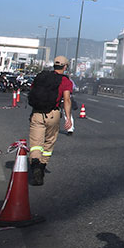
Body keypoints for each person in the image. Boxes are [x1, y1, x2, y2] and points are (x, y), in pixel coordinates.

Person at [27, 56, 73, 186]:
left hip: (37, 113)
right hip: (53, 114)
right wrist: (68, 118)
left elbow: (32, 91)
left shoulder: (41, 77)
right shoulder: (65, 81)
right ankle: (42, 166)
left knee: (36, 143)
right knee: (49, 142)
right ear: (65, 67)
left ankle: (35, 163)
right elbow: (67, 100)